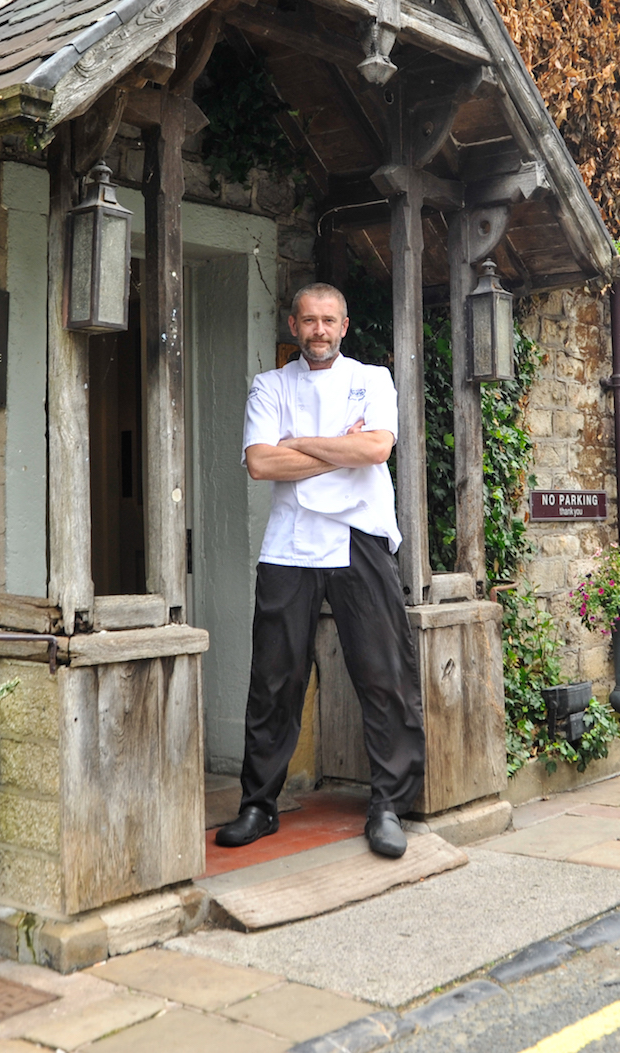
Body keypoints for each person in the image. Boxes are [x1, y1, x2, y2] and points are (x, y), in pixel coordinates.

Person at [219, 282, 424, 859]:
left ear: (345, 324)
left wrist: (302, 445)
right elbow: (261, 463)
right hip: (290, 542)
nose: (319, 330)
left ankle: (389, 805)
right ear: (293, 325)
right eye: (308, 321)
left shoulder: (373, 379)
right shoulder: (270, 385)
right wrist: (339, 447)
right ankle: (258, 804)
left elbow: (376, 450)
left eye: (328, 320)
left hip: (361, 535)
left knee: (384, 675)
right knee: (274, 681)